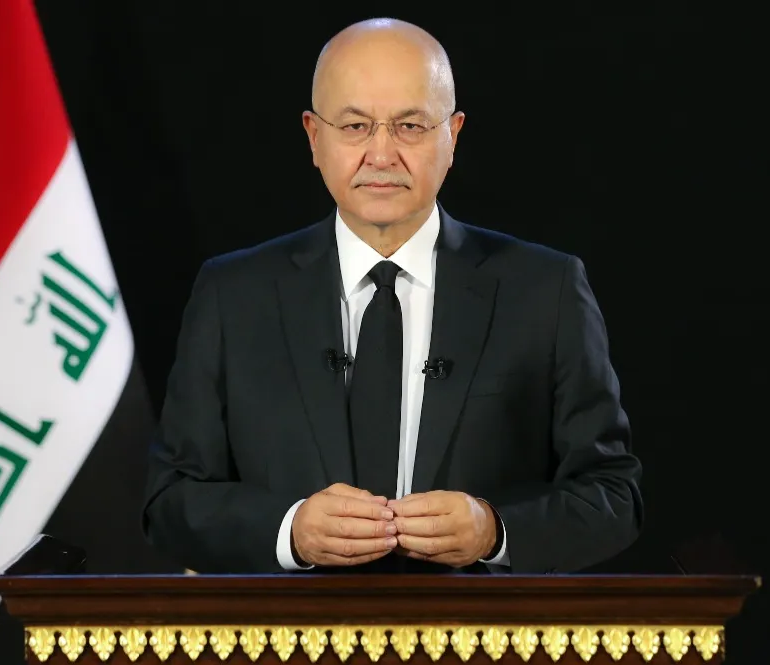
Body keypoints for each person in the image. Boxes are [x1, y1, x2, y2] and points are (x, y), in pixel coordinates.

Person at [142, 18, 642, 574]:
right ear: (314, 137)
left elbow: (613, 496)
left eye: (410, 126)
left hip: (476, 626)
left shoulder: (545, 291)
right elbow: (170, 501)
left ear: (453, 136)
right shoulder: (232, 296)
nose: (381, 155)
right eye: (355, 126)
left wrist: (495, 530)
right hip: (293, 628)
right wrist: (290, 532)